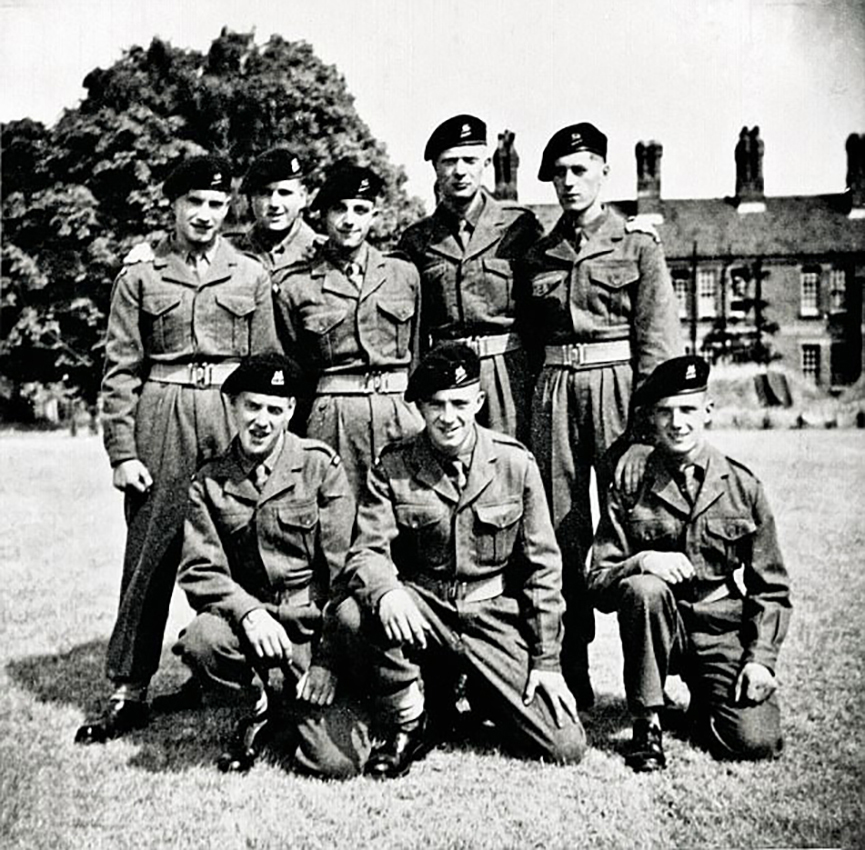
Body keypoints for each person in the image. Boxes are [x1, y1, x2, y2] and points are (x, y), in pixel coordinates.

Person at [296, 344, 586, 779]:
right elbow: (366, 551)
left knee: (564, 745)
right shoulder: (394, 466)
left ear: (479, 403)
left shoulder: (514, 464)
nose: (448, 416)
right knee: (356, 612)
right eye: (435, 405)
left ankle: (479, 698)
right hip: (422, 612)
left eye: (459, 403)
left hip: (490, 615)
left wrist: (546, 661)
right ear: (420, 408)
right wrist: (389, 590)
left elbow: (542, 570)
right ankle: (410, 715)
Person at [75, 155, 279, 744]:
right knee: (152, 552)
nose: (206, 215)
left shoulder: (249, 274)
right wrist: (122, 453)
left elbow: (265, 365)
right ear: (174, 205)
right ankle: (127, 690)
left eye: (217, 205)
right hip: (162, 417)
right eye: (196, 203)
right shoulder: (141, 275)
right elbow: (119, 371)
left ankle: (250, 681)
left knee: (245, 545)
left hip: (230, 416)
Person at [521, 122, 682, 707]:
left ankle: (654, 672)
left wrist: (643, 435)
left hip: (619, 392)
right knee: (561, 528)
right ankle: (571, 662)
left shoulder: (638, 244)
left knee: (636, 521)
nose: (569, 182)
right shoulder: (539, 251)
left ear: (604, 172)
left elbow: (658, 346)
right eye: (559, 173)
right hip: (555, 388)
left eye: (580, 169)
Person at [590, 356, 792, 771]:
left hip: (720, 626)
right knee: (645, 588)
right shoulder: (631, 485)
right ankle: (647, 722)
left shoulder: (741, 486)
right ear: (650, 418)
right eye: (665, 412)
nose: (677, 423)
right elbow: (598, 582)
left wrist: (760, 659)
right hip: (660, 626)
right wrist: (643, 560)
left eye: (687, 410)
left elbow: (770, 587)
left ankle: (704, 705)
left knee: (755, 740)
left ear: (707, 412)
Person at [172, 354, 354, 772]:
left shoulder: (319, 467)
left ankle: (292, 706)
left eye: (275, 409)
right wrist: (250, 612)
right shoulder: (209, 481)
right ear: (232, 405)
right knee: (202, 639)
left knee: (335, 762)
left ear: (290, 411)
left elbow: (344, 570)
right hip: (248, 629)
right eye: (252, 406)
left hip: (309, 627)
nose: (262, 420)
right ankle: (255, 706)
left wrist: (327, 659)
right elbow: (201, 570)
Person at [273, 164, 423, 495]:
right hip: (334, 417)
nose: (349, 220)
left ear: (374, 215)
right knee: (338, 517)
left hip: (399, 412)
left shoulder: (403, 274)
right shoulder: (295, 286)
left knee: (411, 514)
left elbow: (417, 355)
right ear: (322, 216)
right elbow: (292, 370)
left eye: (360, 209)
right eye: (339, 209)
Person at [397, 114, 543, 443]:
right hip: (446, 374)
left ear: (486, 163)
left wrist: (628, 228)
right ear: (435, 168)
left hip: (507, 371)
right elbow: (414, 330)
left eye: (469, 160)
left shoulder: (519, 228)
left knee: (510, 465)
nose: (460, 170)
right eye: (449, 161)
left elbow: (549, 297)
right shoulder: (417, 240)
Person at [232, 147, 323, 273]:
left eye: (284, 193)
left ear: (302, 197)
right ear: (251, 199)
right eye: (264, 193)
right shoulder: (227, 252)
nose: (274, 203)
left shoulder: (326, 254)